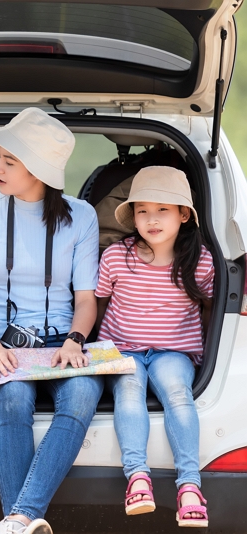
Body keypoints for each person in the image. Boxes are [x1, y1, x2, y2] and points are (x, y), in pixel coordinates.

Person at [0, 108, 101, 534]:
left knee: (81, 397)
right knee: (14, 399)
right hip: (2, 343)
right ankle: (21, 521)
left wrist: (75, 340)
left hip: (63, 343)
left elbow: (86, 300)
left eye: (9, 161)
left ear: (38, 170)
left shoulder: (82, 217)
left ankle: (17, 518)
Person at [95, 166, 213, 528]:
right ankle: (138, 478)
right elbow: (99, 305)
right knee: (129, 392)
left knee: (178, 393)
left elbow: (210, 312)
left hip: (173, 351)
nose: (151, 219)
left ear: (184, 215)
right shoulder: (117, 256)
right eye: (142, 210)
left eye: (163, 209)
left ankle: (190, 486)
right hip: (122, 350)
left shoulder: (201, 261)